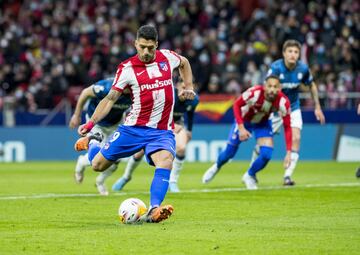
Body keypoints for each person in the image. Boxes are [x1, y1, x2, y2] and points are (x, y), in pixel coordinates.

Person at [74, 25, 195, 223]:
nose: (146, 52)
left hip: (161, 131)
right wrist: (90, 125)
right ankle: (94, 141)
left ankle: (154, 209)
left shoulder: (167, 57)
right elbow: (110, 99)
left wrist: (189, 87)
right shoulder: (127, 68)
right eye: (142, 47)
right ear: (135, 44)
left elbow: (185, 63)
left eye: (150, 47)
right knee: (97, 166)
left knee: (165, 161)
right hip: (133, 129)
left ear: (156, 44)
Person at [251, 40, 325, 186]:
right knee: (262, 146)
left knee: (296, 137)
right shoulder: (276, 68)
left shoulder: (303, 69)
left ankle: (287, 176)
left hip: (293, 108)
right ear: (284, 53)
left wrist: (317, 107)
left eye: (296, 52)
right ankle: (251, 172)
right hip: (275, 110)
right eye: (290, 51)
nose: (293, 55)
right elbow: (266, 88)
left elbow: (312, 85)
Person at [202, 75, 292, 190]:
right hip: (244, 120)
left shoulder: (283, 102)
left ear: (280, 88)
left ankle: (249, 175)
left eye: (275, 87)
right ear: (264, 86)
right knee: (229, 153)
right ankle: (217, 166)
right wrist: (241, 128)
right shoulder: (254, 93)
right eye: (269, 86)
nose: (272, 90)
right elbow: (236, 105)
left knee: (266, 154)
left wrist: (289, 152)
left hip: (262, 123)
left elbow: (288, 127)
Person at [112, 82, 199, 192]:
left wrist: (189, 130)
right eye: (183, 87)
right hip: (156, 122)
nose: (185, 91)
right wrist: (172, 125)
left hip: (177, 123)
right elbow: (156, 111)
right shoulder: (167, 93)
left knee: (181, 149)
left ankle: (173, 181)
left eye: (187, 88)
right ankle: (126, 177)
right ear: (177, 86)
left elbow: (190, 114)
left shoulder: (194, 99)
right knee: (139, 153)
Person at [69, 77, 132, 195]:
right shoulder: (106, 87)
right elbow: (84, 93)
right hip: (96, 123)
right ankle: (81, 163)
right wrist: (77, 115)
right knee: (98, 156)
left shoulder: (135, 92)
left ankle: (100, 181)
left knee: (116, 159)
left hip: (115, 125)